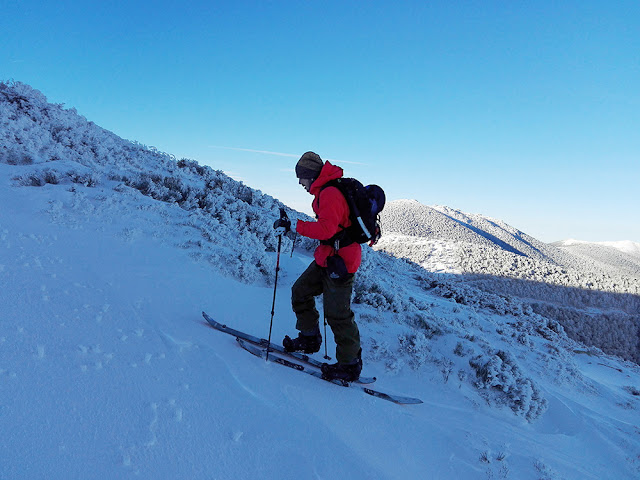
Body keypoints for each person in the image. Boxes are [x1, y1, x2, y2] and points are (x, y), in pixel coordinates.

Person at [273, 151, 363, 382]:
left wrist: (294, 225)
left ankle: (349, 364)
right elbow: (329, 229)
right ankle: (309, 338)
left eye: (301, 178)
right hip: (328, 256)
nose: (300, 182)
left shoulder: (331, 193)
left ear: (311, 175)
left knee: (337, 314)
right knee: (300, 291)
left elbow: (326, 230)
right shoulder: (324, 192)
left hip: (341, 261)